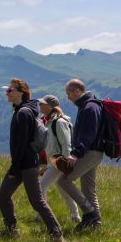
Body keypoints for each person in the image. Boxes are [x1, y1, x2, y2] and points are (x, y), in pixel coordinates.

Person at [0, 78, 65, 242]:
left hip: (25, 165)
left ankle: (57, 235)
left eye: (10, 90)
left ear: (21, 92)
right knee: (3, 195)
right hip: (24, 163)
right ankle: (11, 229)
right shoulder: (23, 111)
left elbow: (22, 144)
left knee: (36, 201)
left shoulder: (23, 113)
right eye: (7, 90)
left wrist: (15, 168)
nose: (7, 93)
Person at [55, 79, 103, 230]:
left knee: (64, 180)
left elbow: (88, 134)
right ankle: (95, 224)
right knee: (88, 189)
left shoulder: (90, 107)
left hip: (89, 153)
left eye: (69, 93)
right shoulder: (88, 105)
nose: (68, 97)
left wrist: (75, 154)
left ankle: (89, 212)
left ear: (77, 91)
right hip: (93, 152)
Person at [35, 94, 81, 223]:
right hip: (52, 161)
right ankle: (76, 217)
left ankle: (43, 215)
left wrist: (66, 165)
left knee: (40, 186)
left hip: (60, 161)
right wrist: (43, 164)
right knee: (64, 191)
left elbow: (67, 145)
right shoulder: (44, 120)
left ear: (50, 106)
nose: (40, 105)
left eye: (43, 104)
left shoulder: (59, 122)